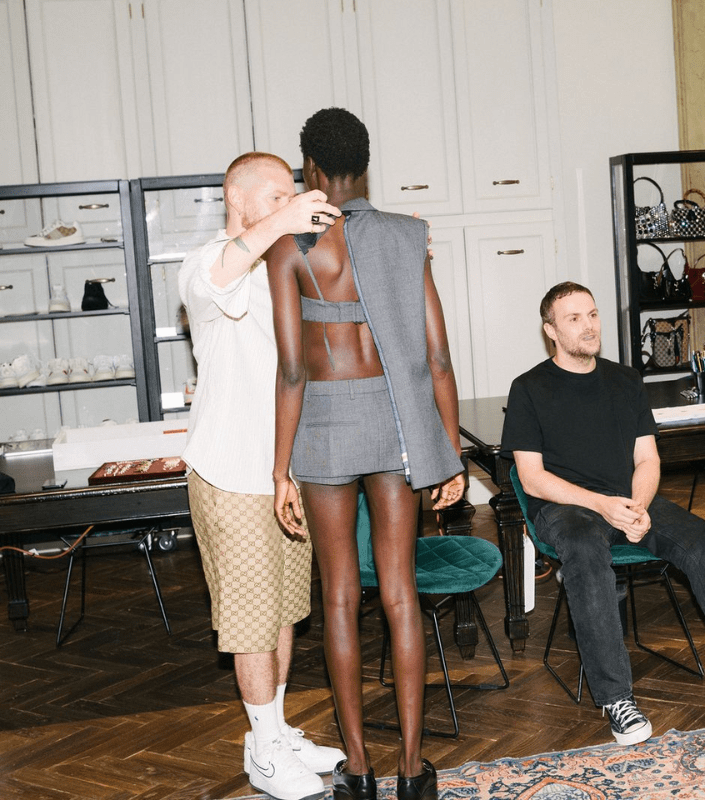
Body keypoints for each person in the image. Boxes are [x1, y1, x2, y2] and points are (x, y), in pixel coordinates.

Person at [501, 281, 705, 747]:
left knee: (703, 540)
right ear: (551, 330)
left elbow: (647, 459)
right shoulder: (529, 388)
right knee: (585, 552)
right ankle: (617, 698)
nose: (589, 325)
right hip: (567, 508)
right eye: (574, 318)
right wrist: (603, 505)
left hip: (630, 500)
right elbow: (532, 478)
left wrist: (637, 505)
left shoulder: (625, 381)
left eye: (592, 314)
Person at [267, 107, 465, 800]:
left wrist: (280, 469)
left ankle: (357, 768)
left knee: (340, 598)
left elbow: (292, 370)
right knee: (401, 593)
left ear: (311, 168)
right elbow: (438, 358)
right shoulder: (410, 236)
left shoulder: (288, 245)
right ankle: (412, 769)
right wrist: (449, 454)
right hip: (397, 422)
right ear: (365, 165)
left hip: (325, 426)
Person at [179, 151, 345, 800]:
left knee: (282, 613)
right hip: (230, 473)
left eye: (291, 193)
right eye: (276, 195)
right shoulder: (206, 264)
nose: (287, 203)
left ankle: (271, 733)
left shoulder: (281, 266)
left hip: (284, 472)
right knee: (250, 619)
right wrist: (285, 219)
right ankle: (265, 754)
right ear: (237, 199)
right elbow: (223, 272)